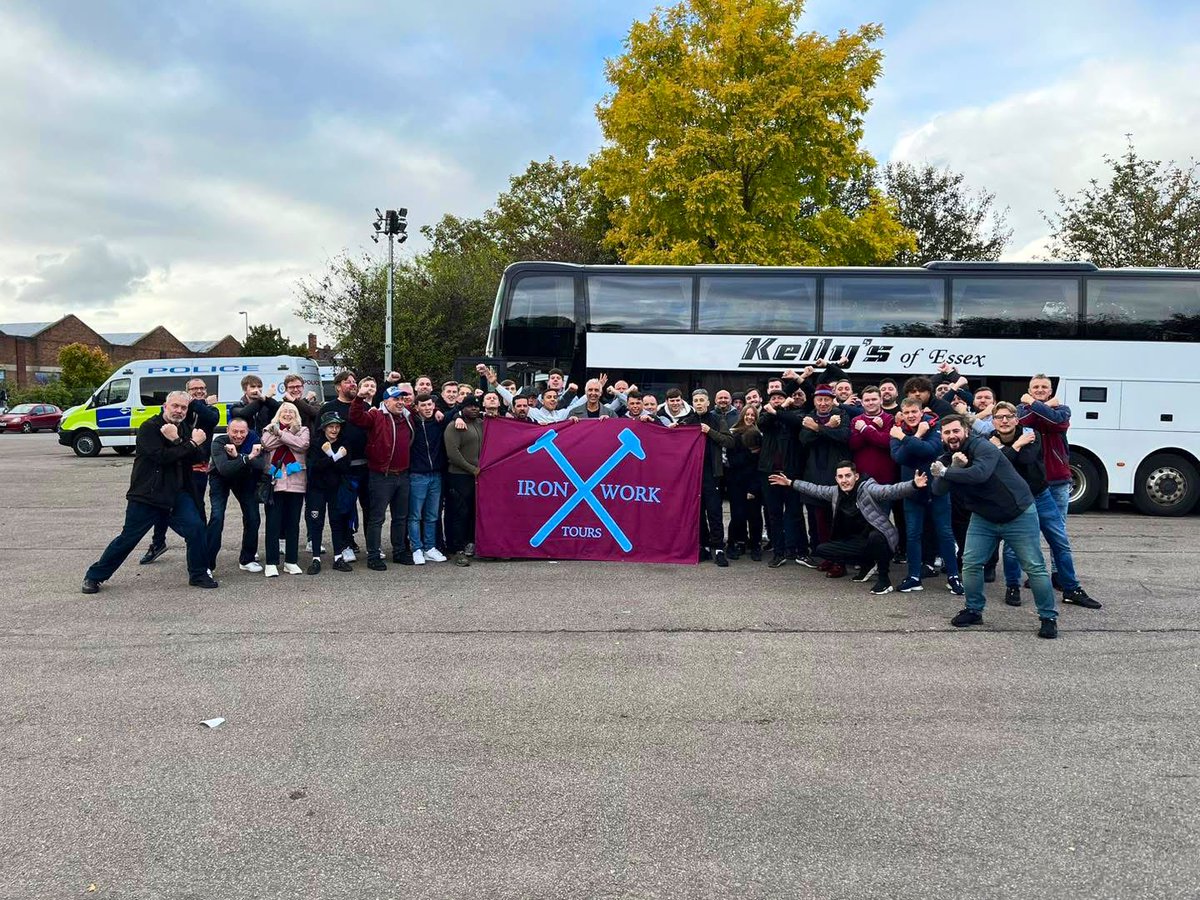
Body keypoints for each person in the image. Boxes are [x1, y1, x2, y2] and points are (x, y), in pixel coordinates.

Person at [929, 415, 1060, 639]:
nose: (952, 436)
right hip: (984, 517)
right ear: (942, 436)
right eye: (947, 432)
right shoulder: (948, 457)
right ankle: (974, 610)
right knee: (970, 564)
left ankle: (1048, 618)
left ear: (966, 431)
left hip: (1017, 513)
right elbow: (938, 490)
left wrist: (946, 471)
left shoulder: (984, 447)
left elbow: (980, 474)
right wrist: (952, 466)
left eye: (956, 431)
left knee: (1034, 567)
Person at [82, 391, 216, 593]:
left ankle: (198, 574)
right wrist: (189, 443)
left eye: (183, 407)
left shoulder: (186, 428)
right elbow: (162, 457)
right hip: (148, 494)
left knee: (196, 529)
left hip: (177, 494)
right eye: (175, 406)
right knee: (128, 538)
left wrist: (184, 442)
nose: (179, 411)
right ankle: (94, 576)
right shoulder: (149, 428)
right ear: (165, 406)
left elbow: (196, 457)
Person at [989, 402, 1101, 610]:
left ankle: (1071, 588)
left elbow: (1026, 458)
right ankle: (1012, 586)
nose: (1004, 420)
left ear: (1016, 419)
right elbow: (997, 465)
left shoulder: (1032, 435)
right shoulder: (989, 440)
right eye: (999, 417)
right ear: (993, 421)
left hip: (1041, 496)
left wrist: (1004, 449)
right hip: (1015, 501)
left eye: (1009, 416)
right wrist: (1013, 447)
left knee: (1059, 541)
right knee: (1013, 548)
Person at [770, 461, 926, 595]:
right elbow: (815, 489)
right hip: (858, 540)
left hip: (881, 540)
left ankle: (884, 580)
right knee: (822, 549)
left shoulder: (867, 488)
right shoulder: (835, 492)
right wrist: (790, 483)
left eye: (848, 476)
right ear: (836, 479)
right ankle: (867, 564)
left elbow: (890, 491)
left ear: (856, 476)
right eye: (840, 477)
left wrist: (913, 485)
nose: (844, 480)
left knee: (875, 537)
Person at [138, 377, 220, 565]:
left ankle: (201, 547)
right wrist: (194, 403)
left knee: (197, 506)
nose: (199, 391)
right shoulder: (179, 409)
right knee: (163, 504)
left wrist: (199, 403)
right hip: (175, 462)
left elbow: (212, 418)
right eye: (194, 389)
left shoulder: (209, 409)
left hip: (197, 463)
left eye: (202, 388)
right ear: (186, 391)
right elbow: (167, 413)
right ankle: (158, 542)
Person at [889, 398, 963, 594]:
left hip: (938, 490)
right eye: (907, 413)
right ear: (902, 414)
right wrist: (915, 440)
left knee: (945, 534)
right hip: (912, 492)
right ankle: (914, 577)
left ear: (921, 412)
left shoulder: (934, 426)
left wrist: (910, 438)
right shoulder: (896, 430)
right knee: (913, 535)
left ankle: (954, 577)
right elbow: (899, 458)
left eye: (914, 411)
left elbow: (931, 450)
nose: (911, 416)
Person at [1018, 374, 1074, 587]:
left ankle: (1059, 575)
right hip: (1032, 482)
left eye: (1044, 387)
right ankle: (1037, 575)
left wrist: (1033, 404)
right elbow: (1024, 421)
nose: (1040, 390)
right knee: (1031, 532)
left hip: (1058, 480)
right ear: (1030, 389)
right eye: (1035, 387)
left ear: (1050, 391)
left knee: (1057, 532)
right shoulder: (1020, 410)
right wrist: (1042, 407)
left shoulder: (1063, 410)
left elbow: (1056, 421)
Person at [351, 384, 414, 570]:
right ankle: (373, 555)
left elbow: (430, 408)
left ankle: (399, 551)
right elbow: (356, 417)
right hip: (381, 475)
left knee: (400, 517)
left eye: (402, 398)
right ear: (386, 401)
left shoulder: (408, 417)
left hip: (403, 474)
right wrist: (359, 399)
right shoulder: (376, 415)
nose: (400, 402)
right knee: (377, 518)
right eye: (396, 399)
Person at [797, 385, 851, 574]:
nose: (823, 403)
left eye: (826, 399)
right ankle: (829, 557)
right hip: (815, 474)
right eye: (819, 399)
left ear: (832, 400)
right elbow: (804, 439)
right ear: (814, 401)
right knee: (820, 522)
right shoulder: (809, 417)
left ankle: (840, 562)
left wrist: (817, 429)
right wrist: (826, 427)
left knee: (838, 522)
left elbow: (843, 436)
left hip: (837, 476)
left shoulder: (841, 415)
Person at [206, 416, 266, 575]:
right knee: (217, 517)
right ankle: (207, 564)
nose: (238, 436)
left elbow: (261, 464)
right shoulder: (219, 442)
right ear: (227, 431)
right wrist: (247, 457)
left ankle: (247, 559)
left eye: (242, 432)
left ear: (248, 431)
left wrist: (239, 458)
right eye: (235, 432)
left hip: (243, 478)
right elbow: (224, 468)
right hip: (219, 478)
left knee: (253, 516)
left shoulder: (253, 438)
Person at [319, 371, 369, 559]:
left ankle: (373, 546)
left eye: (355, 381)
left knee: (369, 508)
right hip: (341, 468)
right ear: (338, 386)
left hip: (366, 466)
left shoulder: (365, 406)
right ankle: (346, 544)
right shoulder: (328, 408)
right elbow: (319, 434)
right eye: (348, 382)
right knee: (344, 508)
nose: (353, 384)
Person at [683, 389, 735, 565]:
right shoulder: (688, 421)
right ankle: (704, 547)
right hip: (693, 476)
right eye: (695, 400)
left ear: (707, 402)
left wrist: (709, 431)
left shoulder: (716, 420)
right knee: (698, 512)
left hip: (712, 474)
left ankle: (719, 548)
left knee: (714, 512)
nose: (698, 403)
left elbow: (729, 441)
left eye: (701, 400)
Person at [758, 388, 809, 568]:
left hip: (791, 472)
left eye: (780, 397)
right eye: (774, 398)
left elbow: (798, 423)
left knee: (795, 513)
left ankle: (800, 550)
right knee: (774, 514)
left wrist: (781, 411)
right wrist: (773, 412)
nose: (777, 400)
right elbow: (762, 424)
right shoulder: (766, 416)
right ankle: (779, 553)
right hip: (769, 472)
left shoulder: (794, 414)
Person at [261, 401, 310, 577]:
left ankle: (291, 561)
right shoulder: (268, 428)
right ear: (279, 413)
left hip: (296, 483)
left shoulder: (303, 430)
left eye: (291, 411)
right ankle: (271, 563)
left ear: (296, 415)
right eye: (284, 411)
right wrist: (286, 436)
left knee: (293, 524)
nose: (287, 414)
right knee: (273, 524)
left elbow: (302, 445)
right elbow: (266, 444)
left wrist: (281, 433)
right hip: (275, 481)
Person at [305, 411, 354, 574]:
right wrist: (333, 457)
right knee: (316, 522)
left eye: (337, 426)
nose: (334, 430)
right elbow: (315, 466)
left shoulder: (344, 443)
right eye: (331, 426)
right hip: (317, 489)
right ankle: (316, 558)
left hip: (336, 489)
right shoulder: (316, 443)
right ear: (324, 428)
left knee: (337, 522)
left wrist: (334, 455)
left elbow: (344, 467)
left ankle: (338, 557)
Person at [408, 393, 449, 565]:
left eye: (430, 405)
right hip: (417, 475)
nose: (427, 408)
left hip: (436, 475)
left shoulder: (438, 423)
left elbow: (456, 411)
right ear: (416, 407)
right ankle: (417, 548)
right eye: (423, 405)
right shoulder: (411, 422)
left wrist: (439, 410)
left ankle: (430, 548)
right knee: (415, 515)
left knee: (432, 515)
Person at [444, 395, 483, 566]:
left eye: (476, 406)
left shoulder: (481, 424)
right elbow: (453, 454)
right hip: (459, 476)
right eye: (470, 406)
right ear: (462, 408)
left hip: (476, 475)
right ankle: (457, 549)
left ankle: (469, 543)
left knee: (473, 512)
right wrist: (472, 469)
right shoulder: (454, 426)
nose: (474, 408)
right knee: (459, 513)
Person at [727, 404, 764, 561]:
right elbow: (733, 461)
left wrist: (753, 488)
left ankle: (755, 545)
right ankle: (734, 543)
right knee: (737, 516)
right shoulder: (734, 435)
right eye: (747, 414)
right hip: (736, 483)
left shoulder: (759, 435)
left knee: (755, 516)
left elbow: (760, 465)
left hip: (754, 482)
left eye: (752, 415)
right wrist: (750, 453)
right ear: (742, 415)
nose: (750, 417)